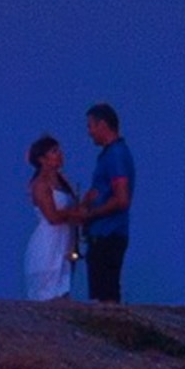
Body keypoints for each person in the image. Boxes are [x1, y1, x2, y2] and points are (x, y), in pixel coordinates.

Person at [73, 103, 134, 303]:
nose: (89, 132)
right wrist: (83, 205)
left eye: (90, 126)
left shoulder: (116, 155)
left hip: (109, 234)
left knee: (107, 295)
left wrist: (91, 215)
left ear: (102, 125)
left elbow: (121, 198)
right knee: (100, 294)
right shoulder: (107, 156)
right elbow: (98, 190)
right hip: (101, 235)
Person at [22, 134, 81, 300]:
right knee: (48, 295)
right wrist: (74, 214)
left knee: (63, 291)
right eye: (54, 151)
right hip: (49, 244)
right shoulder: (40, 184)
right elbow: (52, 217)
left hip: (64, 244)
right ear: (42, 159)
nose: (60, 154)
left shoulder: (62, 180)